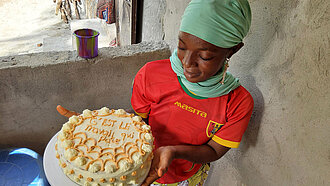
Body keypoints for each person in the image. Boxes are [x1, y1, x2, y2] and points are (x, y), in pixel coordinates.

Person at [57, 0, 253, 185]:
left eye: (204, 56)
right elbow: (138, 123)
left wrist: (173, 151)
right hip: (137, 169)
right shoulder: (151, 74)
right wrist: (93, 125)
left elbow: (214, 150)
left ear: (232, 50)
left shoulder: (238, 103)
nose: (186, 63)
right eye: (182, 47)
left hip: (184, 178)